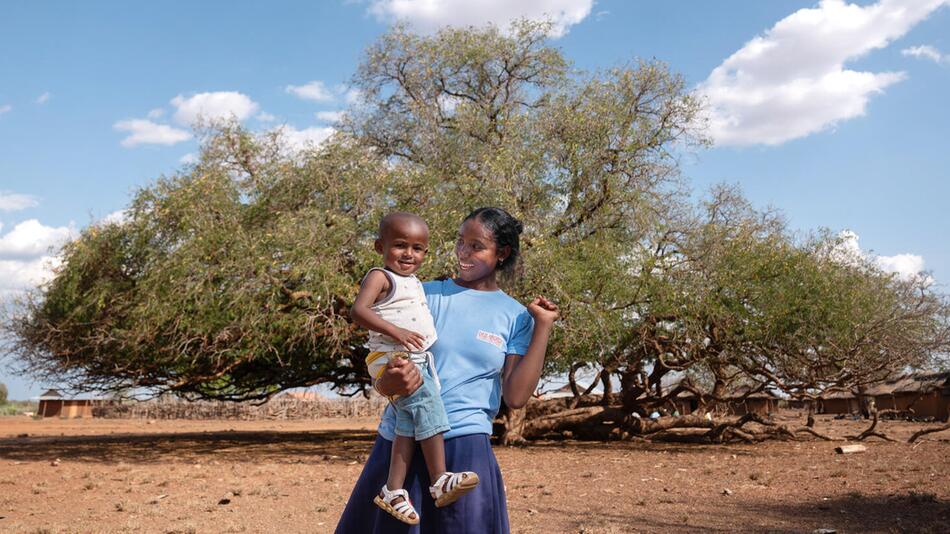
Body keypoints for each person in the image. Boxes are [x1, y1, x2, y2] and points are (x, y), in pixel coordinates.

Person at [336, 207, 559, 533]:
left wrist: (543, 326)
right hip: (402, 446)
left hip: (465, 450)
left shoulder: (515, 316)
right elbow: (384, 368)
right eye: (460, 242)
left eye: (476, 246)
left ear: (502, 253)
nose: (463, 253)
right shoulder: (422, 295)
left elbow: (516, 396)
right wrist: (389, 383)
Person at [350, 212, 479, 525]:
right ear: (380, 246)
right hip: (393, 356)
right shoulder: (380, 277)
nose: (409, 253)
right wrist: (398, 333)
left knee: (406, 423)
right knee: (429, 406)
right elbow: (358, 311)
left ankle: (393, 489)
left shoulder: (413, 281)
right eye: (399, 245)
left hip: (413, 357)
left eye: (418, 248)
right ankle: (440, 479)